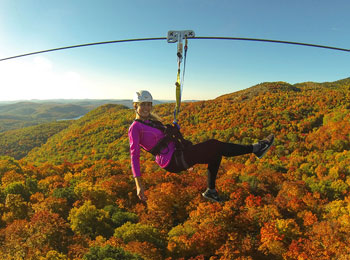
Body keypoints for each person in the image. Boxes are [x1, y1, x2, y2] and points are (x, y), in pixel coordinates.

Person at [128, 90, 274, 203]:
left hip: (178, 153)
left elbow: (165, 139)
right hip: (171, 160)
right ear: (135, 106)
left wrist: (173, 130)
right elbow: (134, 156)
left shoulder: (152, 122)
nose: (146, 108)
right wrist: (138, 184)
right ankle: (256, 148)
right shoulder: (135, 127)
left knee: (215, 154)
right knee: (214, 144)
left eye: (148, 104)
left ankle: (211, 190)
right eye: (143, 105)